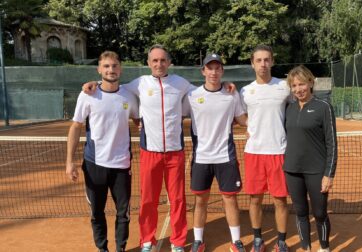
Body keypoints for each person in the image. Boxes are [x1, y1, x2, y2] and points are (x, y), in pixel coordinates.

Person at [82, 45, 235, 252]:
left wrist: (224, 83)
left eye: (163, 60)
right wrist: (95, 83)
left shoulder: (180, 84)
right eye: (154, 60)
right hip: (149, 152)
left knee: (178, 200)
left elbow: (205, 90)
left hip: (175, 153)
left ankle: (178, 242)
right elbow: (113, 85)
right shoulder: (139, 84)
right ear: (148, 63)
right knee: (148, 200)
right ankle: (147, 240)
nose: (159, 64)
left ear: (169, 63)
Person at [66, 51, 139, 252]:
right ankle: (102, 248)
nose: (111, 70)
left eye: (114, 66)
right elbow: (76, 126)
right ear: (99, 69)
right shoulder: (88, 94)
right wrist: (69, 162)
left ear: (120, 69)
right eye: (106, 66)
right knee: (96, 212)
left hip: (122, 166)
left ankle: (120, 248)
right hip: (94, 165)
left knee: (123, 213)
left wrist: (140, 124)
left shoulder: (129, 95)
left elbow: (137, 118)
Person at [183, 53, 248, 252]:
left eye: (217, 68)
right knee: (200, 200)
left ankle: (236, 241)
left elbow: (242, 120)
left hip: (225, 157)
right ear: (203, 71)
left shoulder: (231, 94)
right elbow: (174, 115)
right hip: (201, 158)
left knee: (230, 199)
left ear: (222, 71)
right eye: (209, 68)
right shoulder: (192, 96)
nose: (213, 71)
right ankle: (198, 240)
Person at [240, 45, 290, 252]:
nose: (263, 64)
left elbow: (298, 107)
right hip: (254, 153)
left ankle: (281, 242)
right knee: (255, 199)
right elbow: (240, 115)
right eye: (258, 60)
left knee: (280, 200)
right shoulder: (245, 91)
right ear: (252, 64)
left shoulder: (285, 87)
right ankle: (258, 240)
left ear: (272, 61)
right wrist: (248, 126)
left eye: (266, 59)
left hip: (279, 151)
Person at [283, 65, 337, 252]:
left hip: (317, 171)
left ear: (311, 82)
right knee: (300, 213)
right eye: (294, 85)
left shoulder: (324, 107)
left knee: (320, 213)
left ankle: (324, 248)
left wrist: (328, 174)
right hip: (292, 170)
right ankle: (306, 248)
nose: (298, 89)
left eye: (302, 84)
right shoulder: (288, 108)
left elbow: (332, 143)